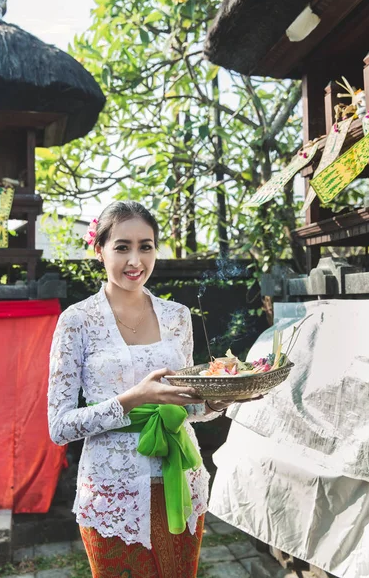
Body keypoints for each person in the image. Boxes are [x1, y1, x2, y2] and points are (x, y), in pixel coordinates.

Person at [48, 201, 230, 578]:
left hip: (180, 476)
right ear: (99, 250)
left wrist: (219, 399)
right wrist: (134, 399)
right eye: (122, 247)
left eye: (145, 246)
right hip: (112, 488)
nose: (135, 260)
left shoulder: (177, 316)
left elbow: (189, 406)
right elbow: (59, 426)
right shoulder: (76, 321)